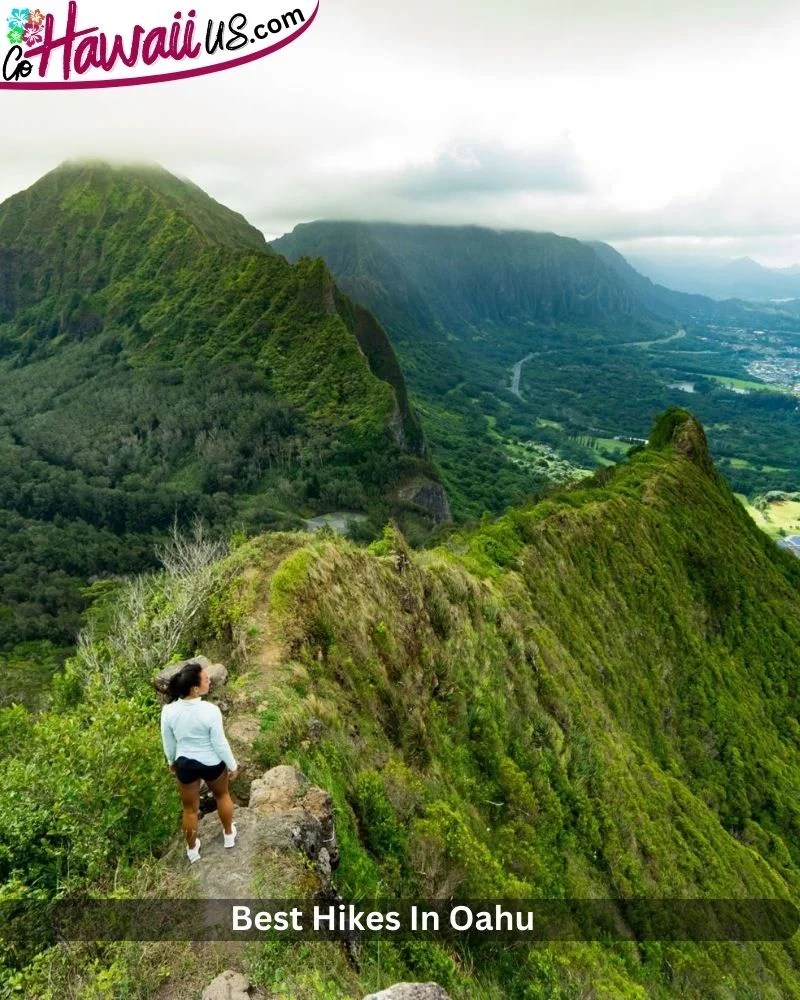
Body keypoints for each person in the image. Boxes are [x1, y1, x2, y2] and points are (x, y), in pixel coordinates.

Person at [160, 660, 239, 863]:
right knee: (222, 796)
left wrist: (171, 761)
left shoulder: (168, 711)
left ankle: (192, 849)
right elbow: (219, 743)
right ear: (195, 689)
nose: (209, 681)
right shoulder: (210, 711)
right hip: (211, 762)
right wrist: (232, 764)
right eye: (205, 679)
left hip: (185, 763)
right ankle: (229, 835)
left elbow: (168, 741)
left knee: (190, 810)